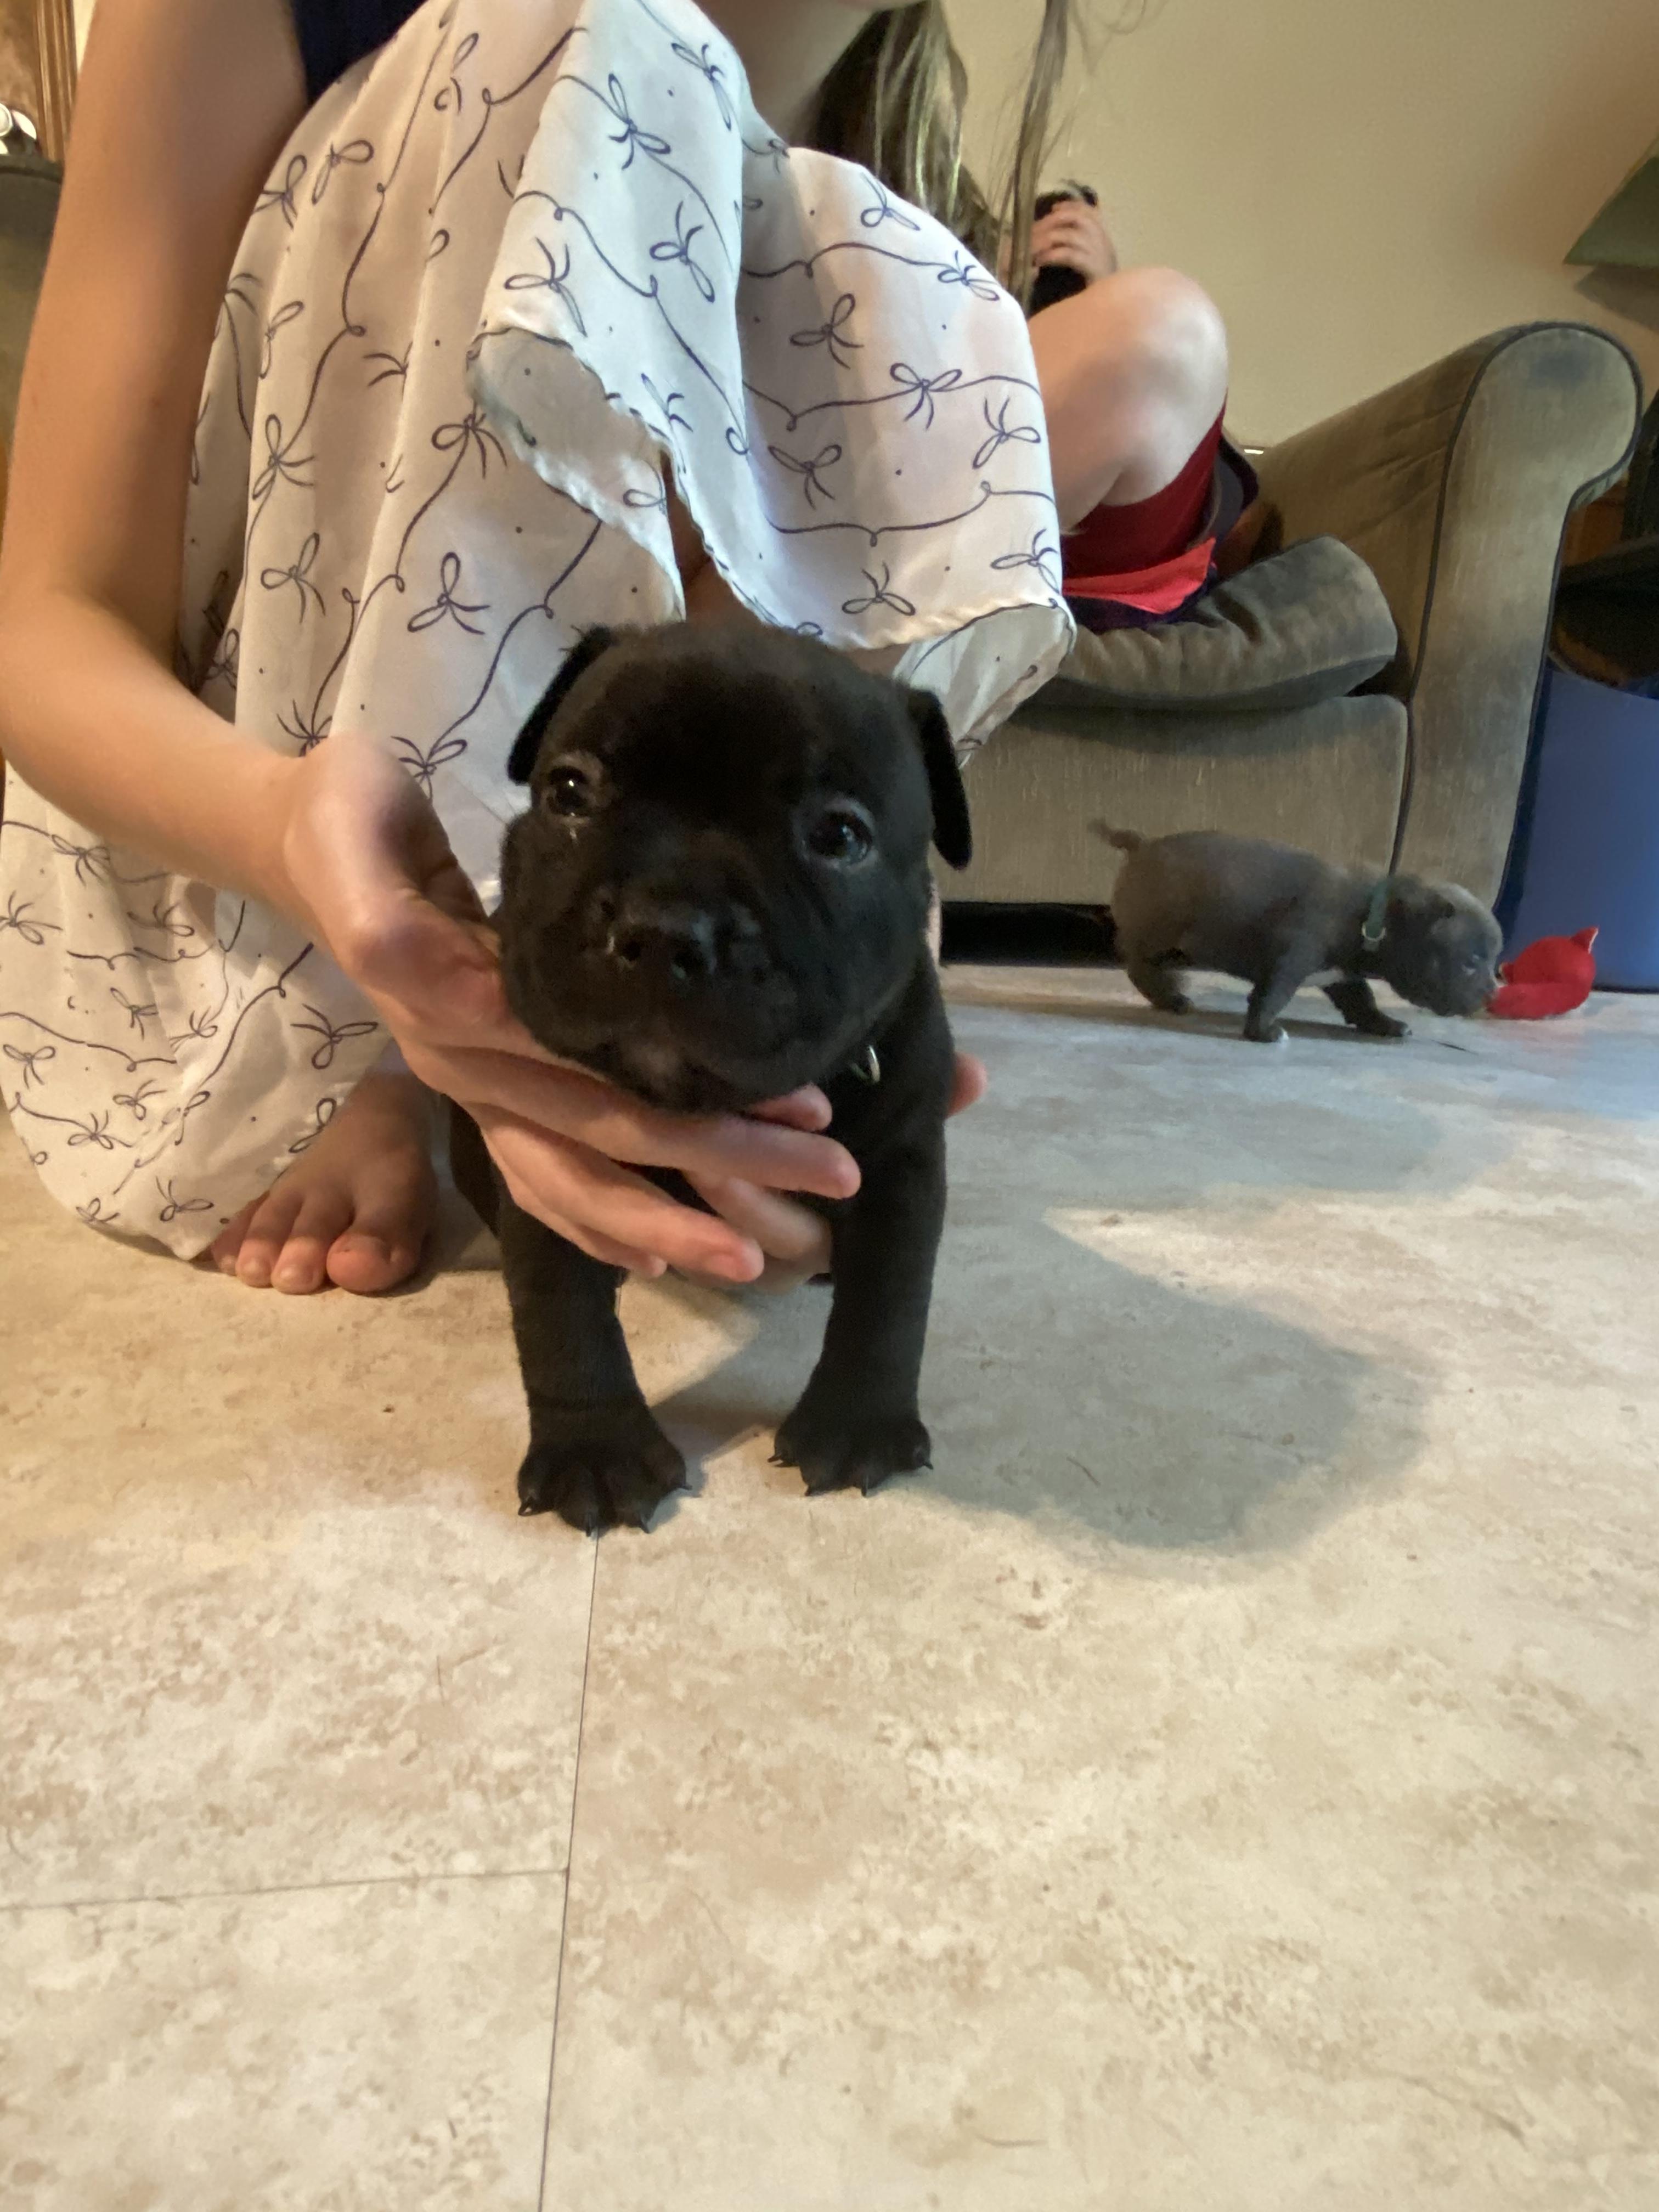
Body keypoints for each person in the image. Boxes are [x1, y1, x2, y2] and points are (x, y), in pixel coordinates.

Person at [0, 0, 1227, 1296]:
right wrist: (295, 839)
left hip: (616, 806)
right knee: (574, 42)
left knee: (1141, 337)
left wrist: (843, 908)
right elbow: (50, 618)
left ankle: (597, 933)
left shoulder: (894, 178)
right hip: (239, 819)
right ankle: (359, 1016)